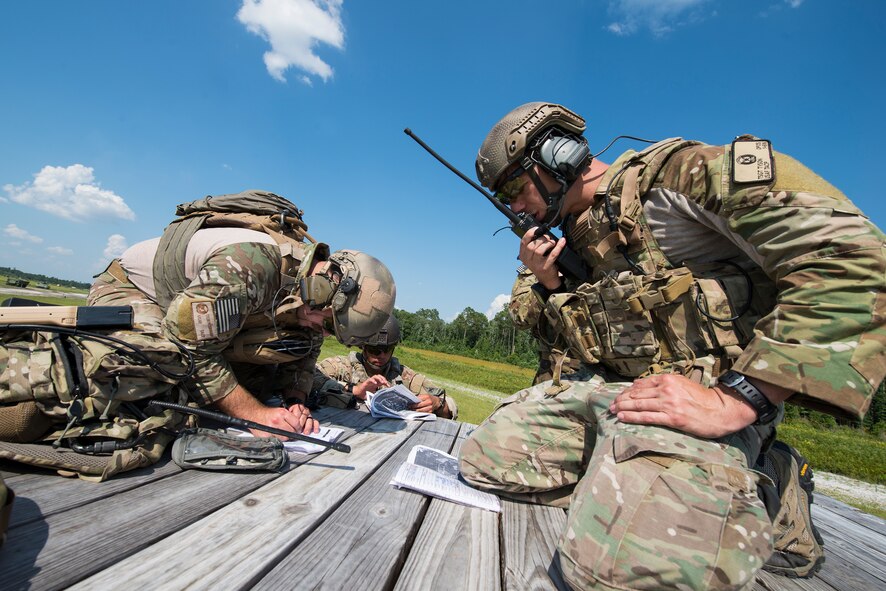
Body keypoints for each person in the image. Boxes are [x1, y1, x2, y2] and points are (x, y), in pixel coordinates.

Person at [458, 103, 886, 589]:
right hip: (616, 398)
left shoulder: (677, 177)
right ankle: (639, 483)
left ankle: (776, 480)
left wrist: (740, 398)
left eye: (514, 188)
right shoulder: (567, 240)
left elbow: (855, 258)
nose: (513, 207)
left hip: (701, 398)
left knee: (613, 572)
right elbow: (563, 339)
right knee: (484, 461)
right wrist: (552, 286)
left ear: (557, 155)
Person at [0, 190, 396, 478]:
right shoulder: (251, 264)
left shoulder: (307, 297)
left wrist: (295, 400)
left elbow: (306, 352)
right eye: (326, 321)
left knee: (282, 350)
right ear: (326, 285)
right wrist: (257, 416)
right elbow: (192, 349)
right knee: (160, 366)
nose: (319, 330)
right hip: (136, 292)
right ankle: (26, 394)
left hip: (190, 312)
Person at [312, 315, 457, 419]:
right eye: (375, 350)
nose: (381, 356)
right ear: (363, 347)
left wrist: (437, 403)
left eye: (387, 350)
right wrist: (354, 390)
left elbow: (451, 406)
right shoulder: (342, 366)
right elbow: (309, 377)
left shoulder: (403, 375)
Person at [509, 265, 580, 385]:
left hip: (614, 371)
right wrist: (548, 284)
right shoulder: (538, 263)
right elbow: (518, 317)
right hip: (555, 372)